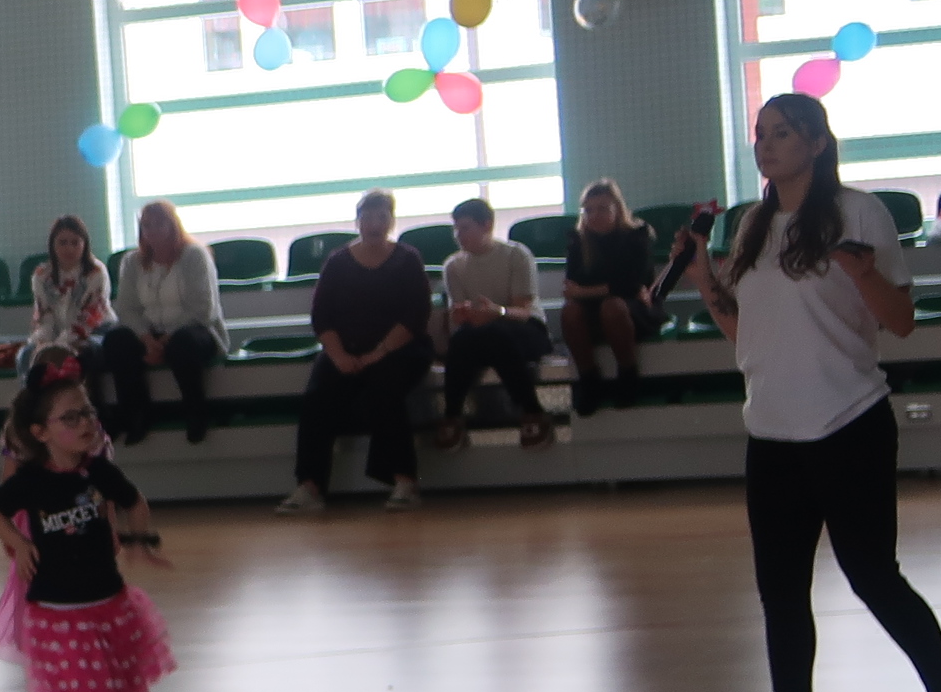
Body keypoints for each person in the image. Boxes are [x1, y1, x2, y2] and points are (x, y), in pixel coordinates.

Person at [681, 94, 941, 692]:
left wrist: (863, 272)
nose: (766, 145)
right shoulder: (754, 225)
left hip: (847, 422)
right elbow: (746, 333)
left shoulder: (859, 213)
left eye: (782, 133)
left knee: (873, 575)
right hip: (772, 432)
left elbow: (901, 321)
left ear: (818, 143)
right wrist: (704, 276)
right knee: (781, 590)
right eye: (760, 133)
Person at [0, 376, 175, 692]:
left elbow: (134, 502)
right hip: (58, 613)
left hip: (110, 606)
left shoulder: (98, 472)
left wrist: (138, 541)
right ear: (41, 432)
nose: (85, 423)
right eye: (70, 417)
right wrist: (18, 543)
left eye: (87, 412)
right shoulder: (31, 480)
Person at [277, 190, 432, 514]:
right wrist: (338, 356)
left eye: (381, 217)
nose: (374, 224)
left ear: (391, 221)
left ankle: (405, 480)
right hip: (345, 349)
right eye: (368, 217)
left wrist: (379, 353)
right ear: (357, 221)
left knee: (384, 389)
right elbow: (322, 316)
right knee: (317, 397)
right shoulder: (337, 261)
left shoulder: (407, 258)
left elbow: (415, 315)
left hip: (399, 348)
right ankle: (310, 486)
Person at [434, 197, 554, 452]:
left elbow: (523, 310)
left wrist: (495, 312)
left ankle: (531, 410)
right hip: (483, 334)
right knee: (462, 340)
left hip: (526, 328)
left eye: (465, 228)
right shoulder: (453, 266)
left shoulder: (516, 255)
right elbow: (459, 314)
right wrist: (463, 315)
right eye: (456, 229)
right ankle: (453, 414)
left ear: (486, 225)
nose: (458, 235)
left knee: (496, 334)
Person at [101, 200, 226, 444]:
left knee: (184, 343)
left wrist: (166, 341)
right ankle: (136, 414)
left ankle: (195, 412)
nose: (152, 231)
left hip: (193, 331)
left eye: (159, 224)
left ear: (172, 225)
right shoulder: (131, 262)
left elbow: (203, 309)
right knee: (115, 340)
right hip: (149, 335)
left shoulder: (194, 255)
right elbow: (126, 309)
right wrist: (147, 340)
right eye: (146, 226)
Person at [560, 178, 664, 415]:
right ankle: (589, 378)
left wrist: (587, 291)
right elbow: (572, 285)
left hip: (635, 310)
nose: (594, 215)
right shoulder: (578, 240)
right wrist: (609, 287)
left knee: (613, 306)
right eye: (588, 210)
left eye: (602, 209)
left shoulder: (637, 235)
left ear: (618, 209)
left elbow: (632, 285)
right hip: (593, 309)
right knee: (570, 311)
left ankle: (628, 373)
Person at [22, 216, 111, 392]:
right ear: (53, 245)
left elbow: (90, 319)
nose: (69, 248)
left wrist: (61, 346)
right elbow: (44, 317)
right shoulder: (41, 275)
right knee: (26, 355)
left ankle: (87, 403)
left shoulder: (96, 272)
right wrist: (43, 344)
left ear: (84, 244)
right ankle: (35, 403)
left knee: (83, 354)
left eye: (75, 243)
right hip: (55, 334)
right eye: (62, 243)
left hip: (94, 333)